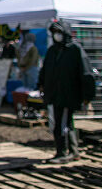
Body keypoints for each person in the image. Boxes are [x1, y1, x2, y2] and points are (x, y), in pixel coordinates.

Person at [38, 21, 95, 163]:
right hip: (55, 94)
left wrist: (87, 95)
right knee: (65, 122)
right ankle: (73, 151)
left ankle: (64, 152)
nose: (56, 35)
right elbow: (45, 70)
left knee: (62, 124)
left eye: (59, 32)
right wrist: (41, 84)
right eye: (54, 32)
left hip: (68, 94)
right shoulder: (53, 50)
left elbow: (86, 73)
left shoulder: (75, 50)